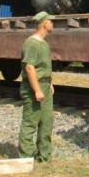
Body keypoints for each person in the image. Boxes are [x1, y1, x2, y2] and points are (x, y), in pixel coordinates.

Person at [19, 11, 56, 162]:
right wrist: (37, 90)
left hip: (45, 85)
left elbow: (44, 67)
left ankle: (44, 156)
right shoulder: (32, 43)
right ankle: (26, 157)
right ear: (44, 24)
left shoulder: (44, 43)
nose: (52, 24)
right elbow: (29, 68)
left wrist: (50, 83)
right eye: (51, 21)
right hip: (35, 87)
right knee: (30, 122)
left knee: (47, 121)